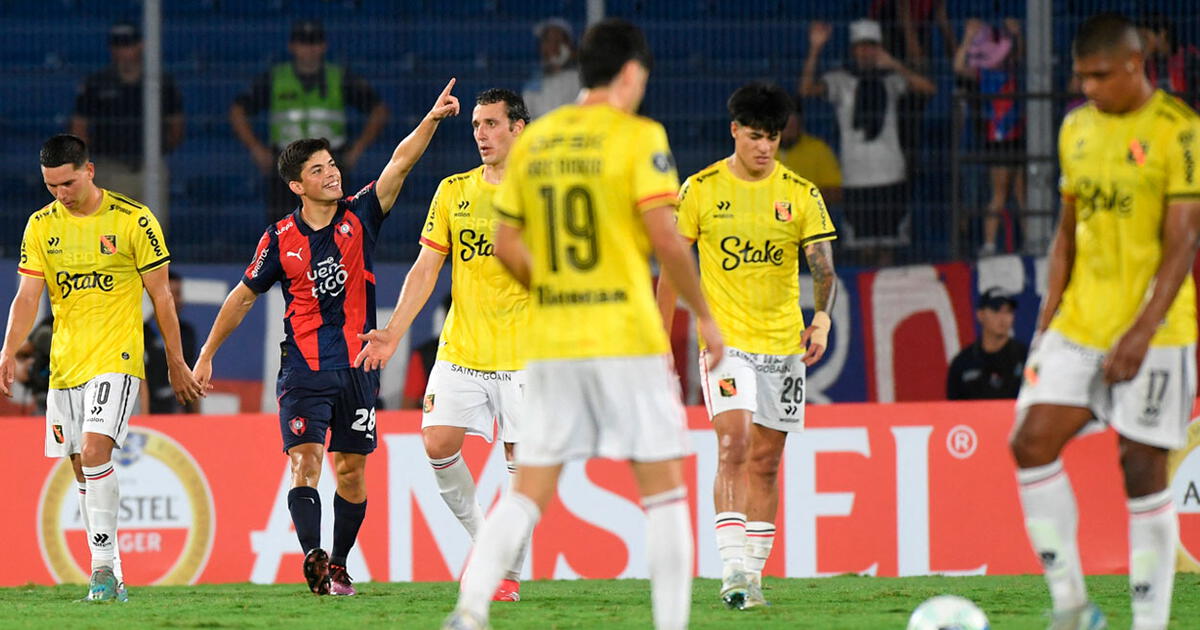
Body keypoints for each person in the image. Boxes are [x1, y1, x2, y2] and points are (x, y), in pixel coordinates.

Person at [445, 19, 724, 630]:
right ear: (630, 74)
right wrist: (705, 317)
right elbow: (666, 239)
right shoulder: (637, 135)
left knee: (527, 493)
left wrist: (548, 289)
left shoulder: (540, 142)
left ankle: (469, 612)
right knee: (665, 493)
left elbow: (505, 242)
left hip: (552, 342)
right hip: (625, 338)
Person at [194, 81, 459, 597]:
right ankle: (312, 553)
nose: (331, 172)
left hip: (359, 369)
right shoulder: (277, 240)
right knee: (305, 462)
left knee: (352, 471)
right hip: (304, 371)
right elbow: (242, 298)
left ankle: (338, 563)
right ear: (297, 185)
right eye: (316, 169)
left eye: (331, 163)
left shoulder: (361, 215)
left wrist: (431, 118)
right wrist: (207, 354)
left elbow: (399, 165)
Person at [1010, 14, 1200, 630]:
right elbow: (1067, 231)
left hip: (1158, 332)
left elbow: (1183, 242)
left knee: (1141, 469)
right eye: (1080, 77)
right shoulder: (1075, 128)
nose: (1088, 87)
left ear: (1134, 65)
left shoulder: (1181, 132)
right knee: (1029, 443)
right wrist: (1046, 321)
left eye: (1098, 76)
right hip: (1079, 325)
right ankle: (1071, 606)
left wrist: (1141, 333)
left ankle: (1150, 624)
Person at [656, 82, 838, 610]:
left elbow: (824, 268)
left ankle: (752, 579)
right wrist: (658, 342)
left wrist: (822, 319)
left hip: (783, 346)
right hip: (725, 344)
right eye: (755, 136)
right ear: (735, 130)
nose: (764, 147)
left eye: (773, 138)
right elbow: (672, 266)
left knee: (766, 462)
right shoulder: (701, 189)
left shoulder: (801, 193)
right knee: (733, 444)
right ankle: (732, 569)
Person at [0, 134, 203, 602]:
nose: (60, 194)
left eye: (67, 183)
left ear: (89, 171)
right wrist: (9, 349)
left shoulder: (133, 219)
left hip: (118, 357)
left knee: (93, 452)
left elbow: (162, 296)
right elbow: (28, 296)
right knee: (79, 466)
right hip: (64, 365)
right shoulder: (40, 226)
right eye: (51, 186)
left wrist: (175, 361)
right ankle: (112, 570)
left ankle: (101, 571)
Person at [354, 88, 532, 602]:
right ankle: (488, 549)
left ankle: (506, 573)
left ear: (518, 128)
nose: (481, 134)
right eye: (476, 125)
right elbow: (426, 268)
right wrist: (393, 331)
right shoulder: (454, 191)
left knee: (522, 469)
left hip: (526, 356)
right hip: (462, 351)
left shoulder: (543, 194)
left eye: (492, 124)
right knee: (436, 443)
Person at [800, 19, 935, 267]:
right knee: (863, 249)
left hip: (890, 172)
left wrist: (894, 64)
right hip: (856, 175)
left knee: (889, 246)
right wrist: (815, 48)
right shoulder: (841, 80)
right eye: (862, 47)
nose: (866, 52)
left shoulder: (892, 79)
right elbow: (807, 89)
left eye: (872, 46)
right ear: (853, 50)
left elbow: (928, 89)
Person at [230, 19, 389, 224]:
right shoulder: (276, 78)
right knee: (282, 230)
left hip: (330, 163)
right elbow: (238, 110)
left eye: (314, 43)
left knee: (333, 229)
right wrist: (256, 149)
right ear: (292, 46)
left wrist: (357, 149)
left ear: (323, 46)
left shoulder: (339, 77)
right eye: (303, 43)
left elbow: (379, 110)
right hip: (286, 166)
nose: (309, 49)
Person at [70, 22, 184, 225]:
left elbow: (176, 126)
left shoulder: (160, 82)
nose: (123, 51)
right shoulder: (97, 83)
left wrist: (159, 151)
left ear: (140, 45)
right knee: (111, 238)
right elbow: (79, 128)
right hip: (111, 167)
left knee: (151, 237)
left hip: (149, 167)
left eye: (128, 45)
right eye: (118, 45)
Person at [954, 18, 1026, 257]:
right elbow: (958, 67)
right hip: (998, 138)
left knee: (1021, 194)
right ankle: (989, 244)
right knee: (999, 192)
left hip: (1017, 134)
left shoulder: (1011, 67)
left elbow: (1024, 55)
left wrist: (1017, 35)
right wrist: (967, 36)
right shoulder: (981, 74)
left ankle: (1031, 241)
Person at [946, 287, 1026, 400]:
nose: (1002, 318)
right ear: (980, 315)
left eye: (1008, 311)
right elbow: (952, 410)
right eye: (996, 310)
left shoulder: (1025, 357)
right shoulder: (963, 363)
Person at [143, 270, 199, 413]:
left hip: (180, 412)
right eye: (173, 294)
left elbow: (194, 375)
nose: (178, 300)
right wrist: (144, 417)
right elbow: (141, 381)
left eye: (179, 294)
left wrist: (197, 418)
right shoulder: (142, 333)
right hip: (152, 413)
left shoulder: (187, 333)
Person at [778, 97, 843, 203]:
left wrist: (804, 197)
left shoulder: (817, 149)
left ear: (800, 124)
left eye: (793, 126)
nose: (789, 132)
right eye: (784, 126)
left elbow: (836, 191)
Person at [522, 17, 582, 120]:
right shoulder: (534, 82)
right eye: (547, 41)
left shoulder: (579, 78)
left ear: (568, 46)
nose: (551, 47)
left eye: (557, 41)